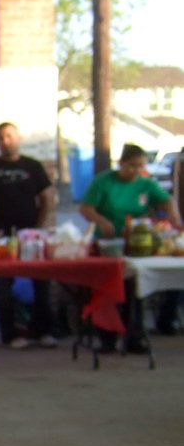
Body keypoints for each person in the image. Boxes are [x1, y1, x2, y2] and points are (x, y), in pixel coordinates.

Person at [79, 142, 182, 351]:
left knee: (134, 291)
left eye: (140, 166)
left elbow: (165, 200)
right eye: (132, 166)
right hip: (108, 244)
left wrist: (174, 216)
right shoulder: (103, 182)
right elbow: (86, 208)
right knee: (109, 290)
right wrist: (101, 221)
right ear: (121, 163)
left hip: (136, 244)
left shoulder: (145, 183)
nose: (136, 171)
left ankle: (134, 336)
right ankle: (107, 338)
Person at [0, 122, 56, 349]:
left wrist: (39, 228)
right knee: (3, 284)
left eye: (9, 136)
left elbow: (47, 199)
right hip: (1, 235)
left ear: (18, 138)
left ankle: (44, 331)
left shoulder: (33, 166)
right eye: (1, 138)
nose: (5, 141)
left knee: (42, 282)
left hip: (31, 234)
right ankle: (10, 334)